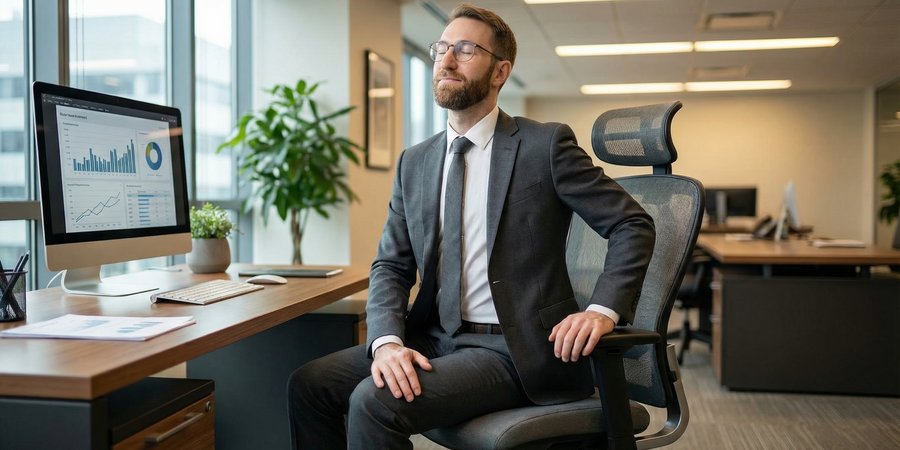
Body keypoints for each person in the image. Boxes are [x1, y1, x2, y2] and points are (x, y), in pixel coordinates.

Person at [288, 4, 655, 449]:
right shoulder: (415, 162)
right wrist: (386, 342)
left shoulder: (544, 146)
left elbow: (631, 223)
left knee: (375, 401)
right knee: (310, 384)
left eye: (464, 49)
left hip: (513, 349)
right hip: (434, 337)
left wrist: (601, 311)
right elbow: (391, 265)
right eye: (441, 48)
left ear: (500, 72)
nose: (445, 60)